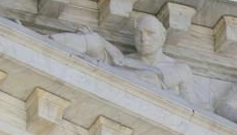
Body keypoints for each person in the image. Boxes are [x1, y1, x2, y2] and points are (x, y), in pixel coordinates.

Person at [50, 12, 202, 104]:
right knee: (93, 40)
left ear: (163, 37)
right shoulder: (123, 61)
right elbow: (110, 58)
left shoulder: (180, 69)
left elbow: (191, 111)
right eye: (139, 34)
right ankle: (46, 43)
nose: (143, 39)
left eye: (150, 33)